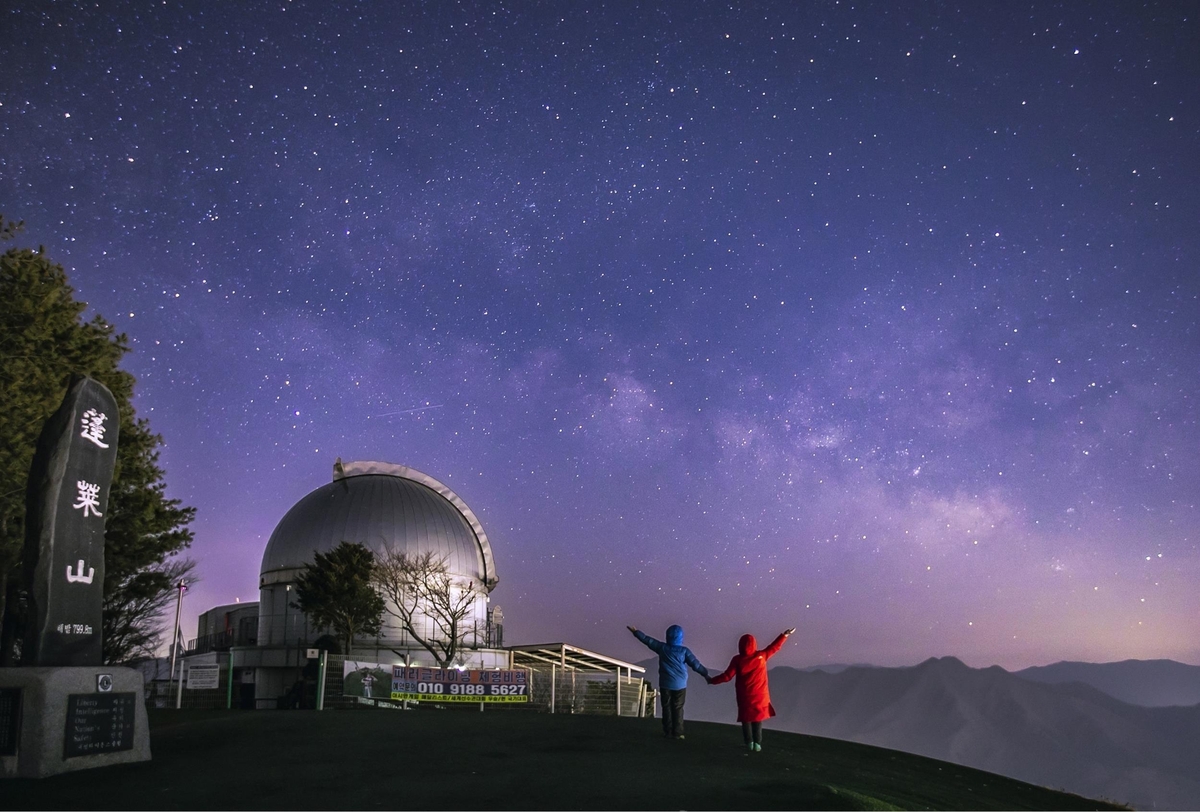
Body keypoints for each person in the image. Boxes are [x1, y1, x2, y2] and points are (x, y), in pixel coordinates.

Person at [707, 627, 795, 752]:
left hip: (744, 696)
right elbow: (774, 647)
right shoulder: (762, 656)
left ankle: (749, 743)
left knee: (746, 719)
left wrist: (712, 680)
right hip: (761, 696)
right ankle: (757, 744)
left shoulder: (737, 660)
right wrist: (785, 635)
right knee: (757, 719)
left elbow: (727, 676)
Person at [628, 624, 710, 739]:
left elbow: (648, 640)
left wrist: (636, 632)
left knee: (666, 707)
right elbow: (695, 665)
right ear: (681, 637)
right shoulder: (684, 651)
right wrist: (705, 674)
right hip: (680, 685)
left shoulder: (662, 648)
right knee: (678, 707)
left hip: (665, 684)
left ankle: (668, 731)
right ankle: (678, 733)